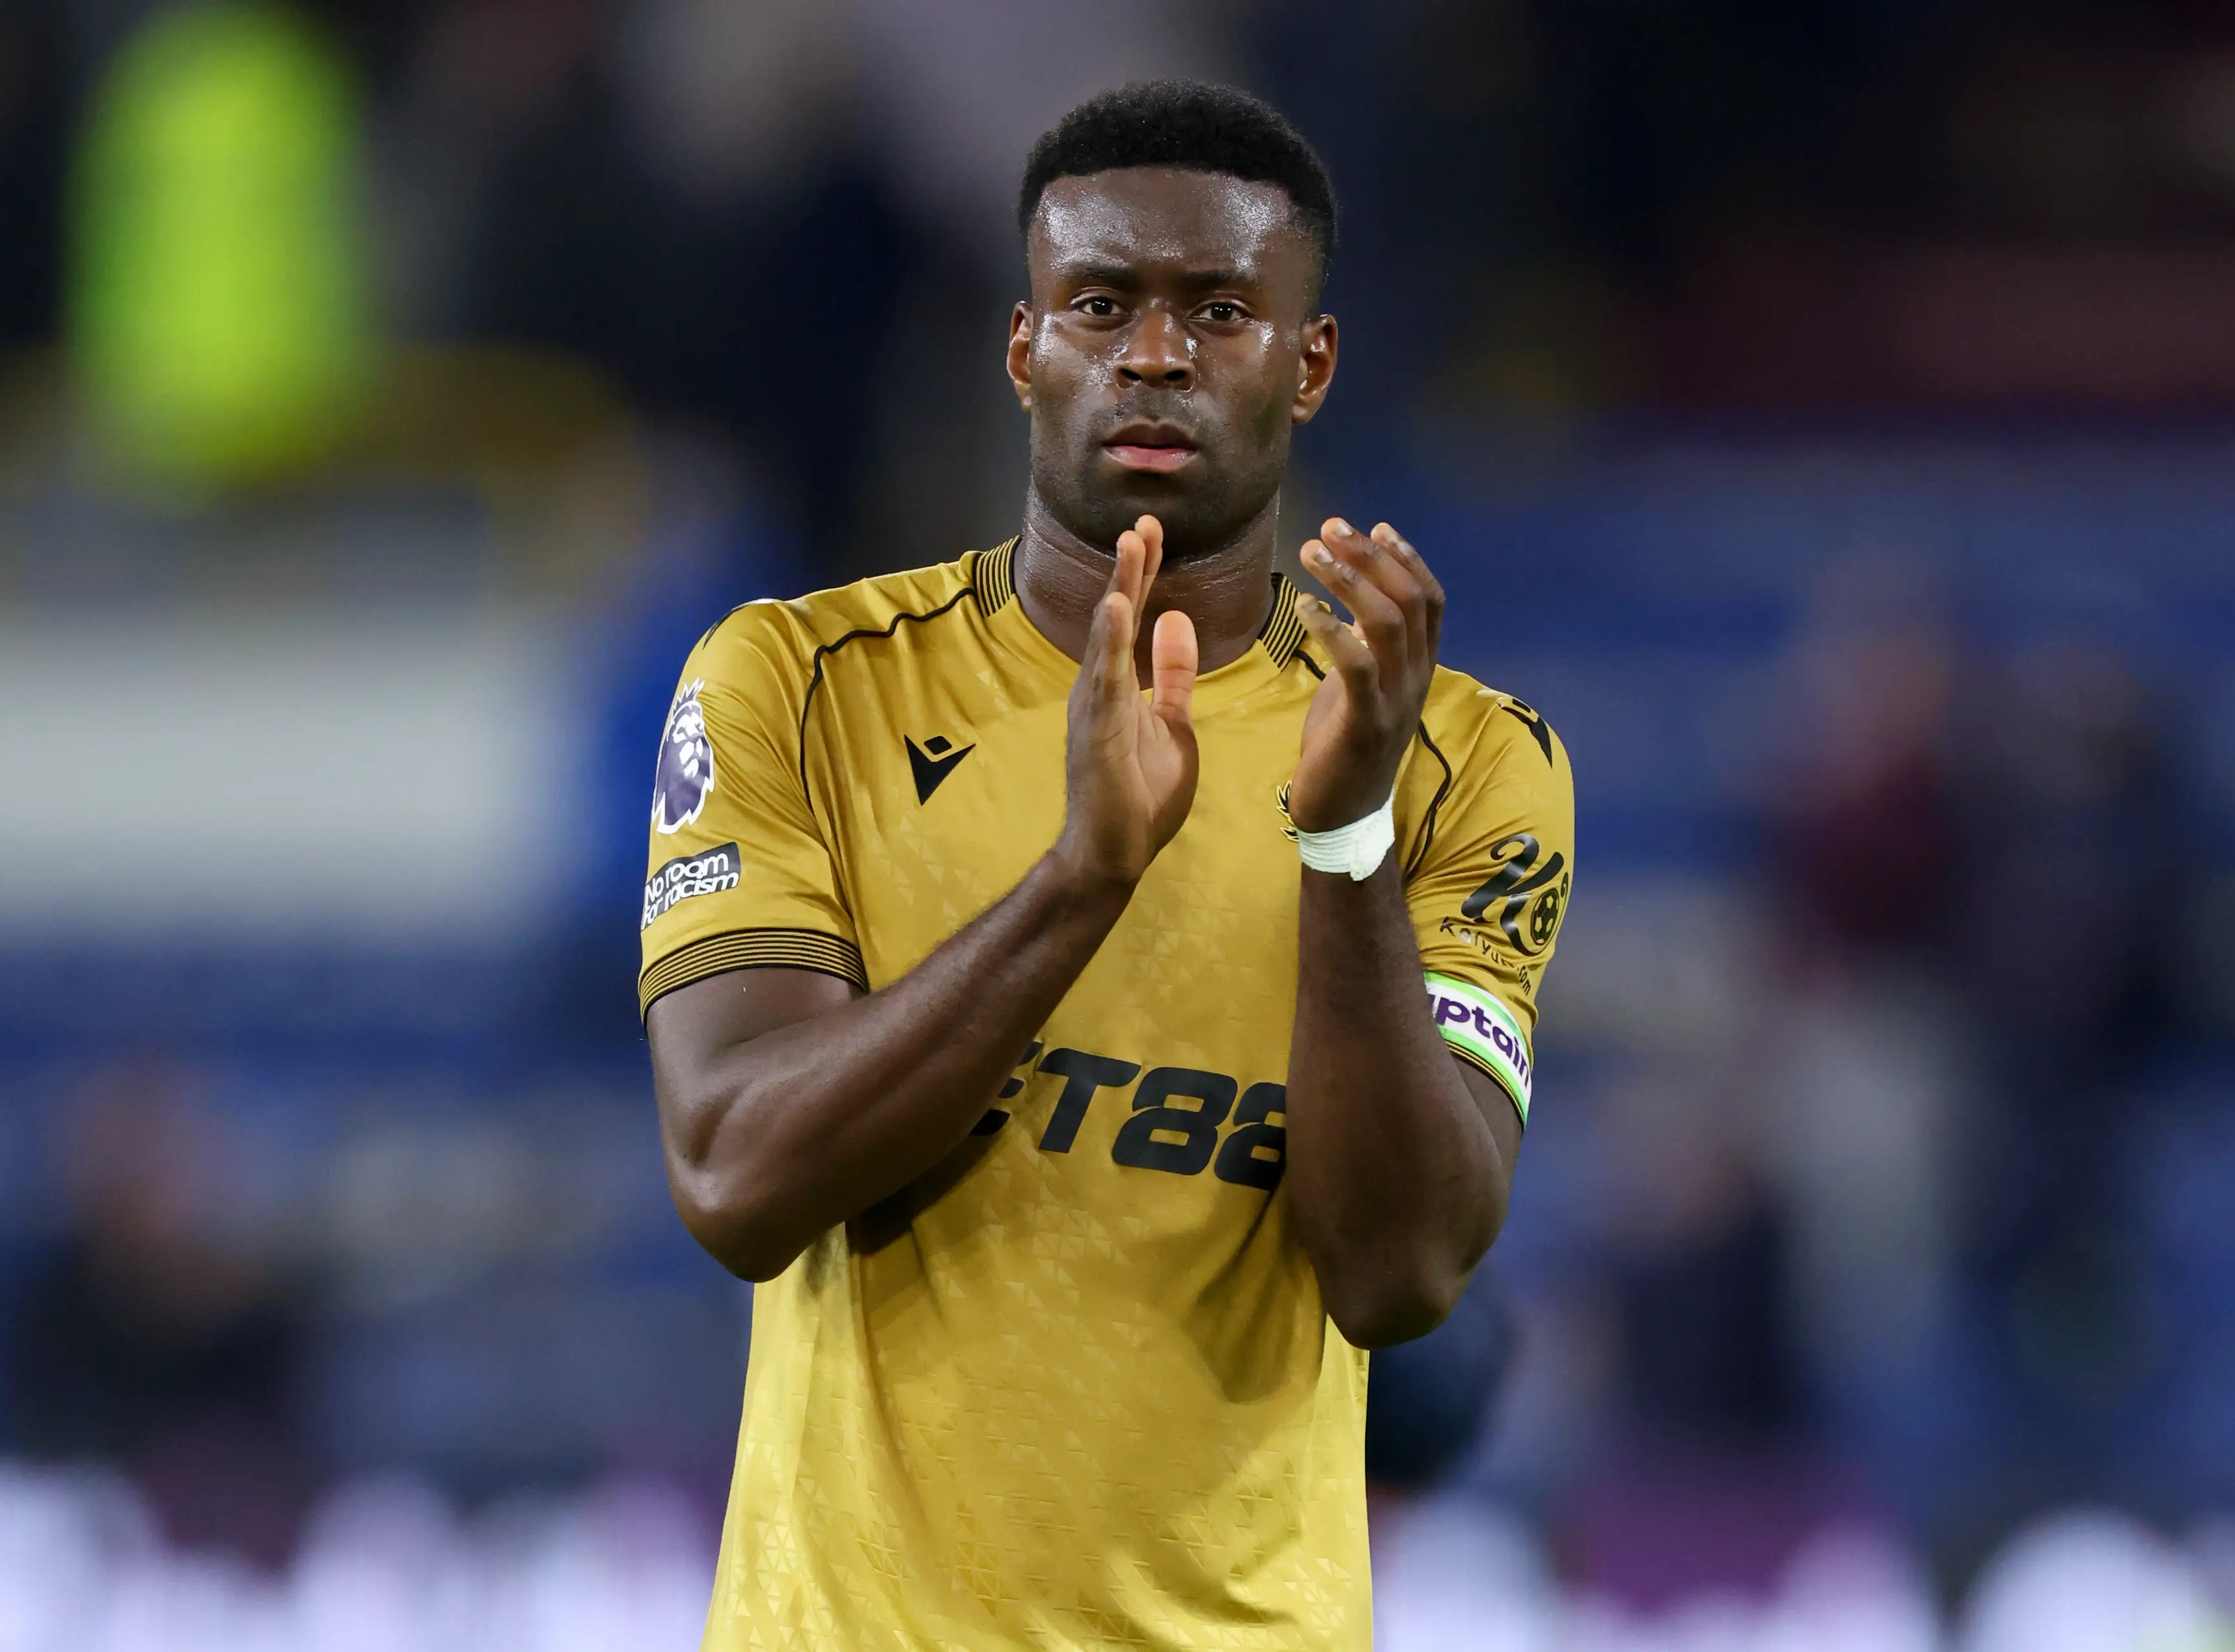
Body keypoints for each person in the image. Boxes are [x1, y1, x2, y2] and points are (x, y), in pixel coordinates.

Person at [640, 80, 1574, 1649]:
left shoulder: (1464, 758)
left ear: (1311, 361)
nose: (1154, 355)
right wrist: (1082, 878)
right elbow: (737, 1175)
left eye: (1220, 309)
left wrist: (1344, 842)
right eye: (1101, 304)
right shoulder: (798, 684)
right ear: (1024, 349)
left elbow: (1400, 1272)